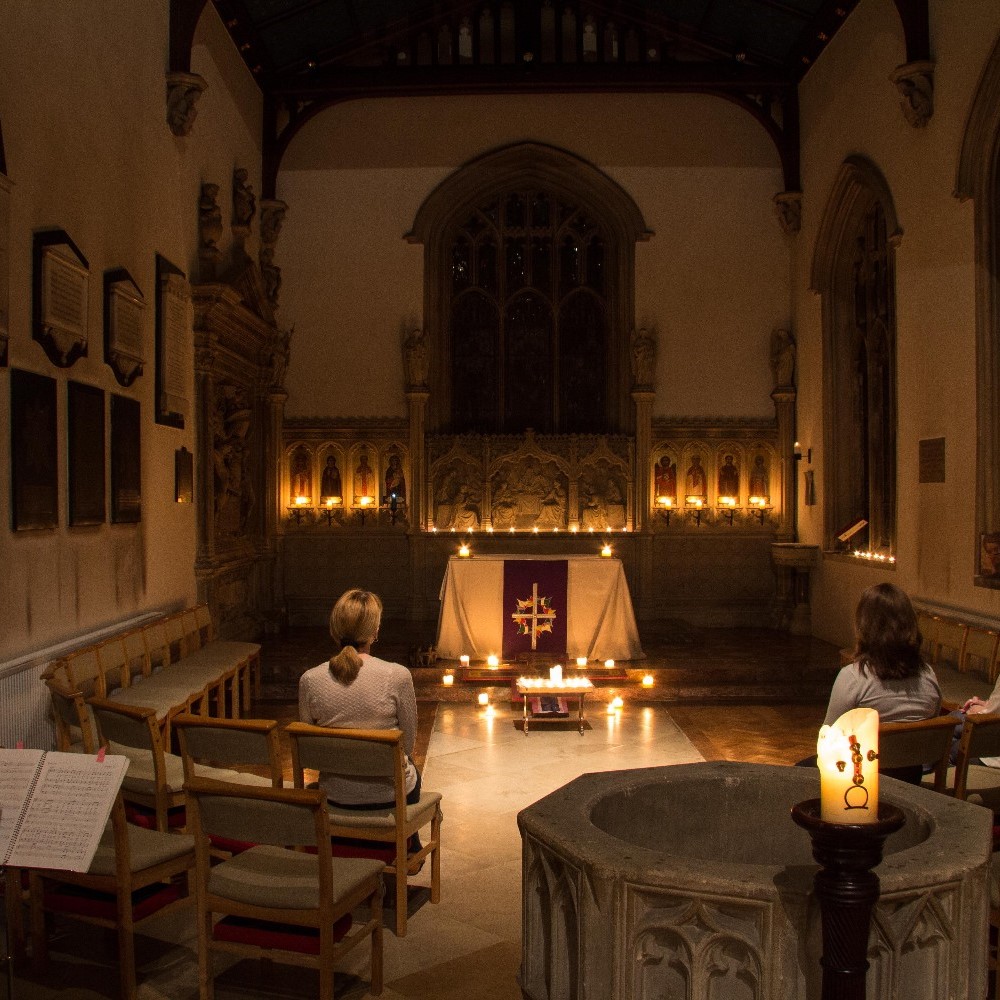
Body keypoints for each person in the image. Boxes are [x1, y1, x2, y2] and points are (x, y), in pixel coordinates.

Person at [298, 589, 421, 819]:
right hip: (390, 794)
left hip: (335, 794)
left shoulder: (310, 679)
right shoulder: (397, 675)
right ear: (375, 631)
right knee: (413, 771)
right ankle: (407, 844)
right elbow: (409, 744)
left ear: (334, 630)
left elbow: (309, 746)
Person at [817, 583, 941, 783]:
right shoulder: (928, 676)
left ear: (863, 626)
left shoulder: (854, 677)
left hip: (858, 782)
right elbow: (932, 734)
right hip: (912, 781)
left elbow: (828, 738)